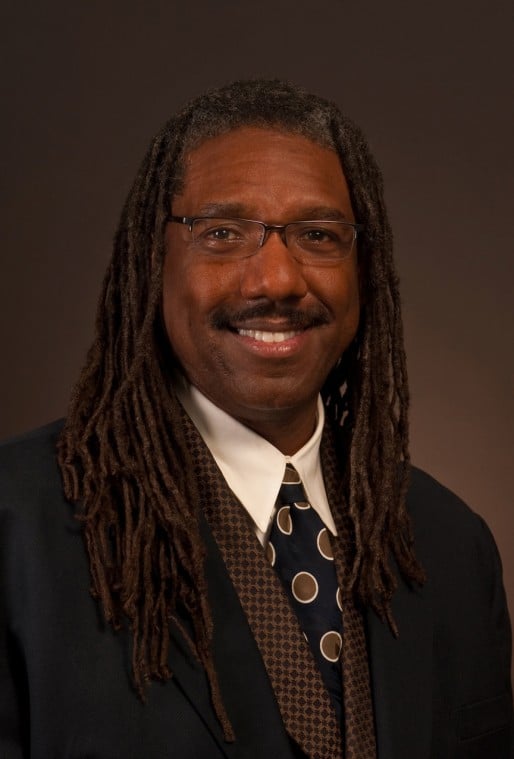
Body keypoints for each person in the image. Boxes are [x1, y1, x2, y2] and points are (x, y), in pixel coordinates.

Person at [0, 79, 512, 759]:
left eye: (318, 235)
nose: (276, 280)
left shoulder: (452, 547)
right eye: (222, 233)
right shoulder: (17, 530)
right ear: (152, 260)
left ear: (365, 268)